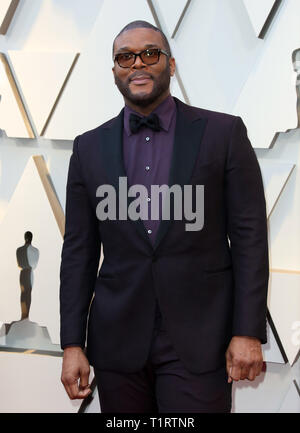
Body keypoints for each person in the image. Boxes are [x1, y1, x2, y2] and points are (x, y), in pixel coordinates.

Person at [60, 20, 269, 413]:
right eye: (125, 57)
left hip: (201, 339)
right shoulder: (88, 148)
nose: (137, 63)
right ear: (114, 72)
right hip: (117, 341)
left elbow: (250, 240)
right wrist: (72, 343)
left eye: (150, 53)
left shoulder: (223, 134)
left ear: (170, 65)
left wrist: (246, 332)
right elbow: (78, 254)